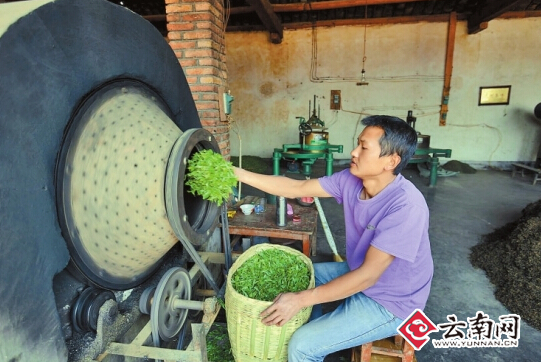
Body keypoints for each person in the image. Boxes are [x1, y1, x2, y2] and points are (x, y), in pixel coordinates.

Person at [233, 115, 433, 362]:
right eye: (357, 144)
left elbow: (368, 276)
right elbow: (297, 188)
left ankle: (311, 343)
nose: (353, 152)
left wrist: (300, 300)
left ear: (391, 161)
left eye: (364, 147)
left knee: (302, 346)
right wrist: (237, 173)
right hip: (359, 271)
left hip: (393, 301)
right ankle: (317, 331)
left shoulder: (406, 206)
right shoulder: (350, 180)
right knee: (304, 274)